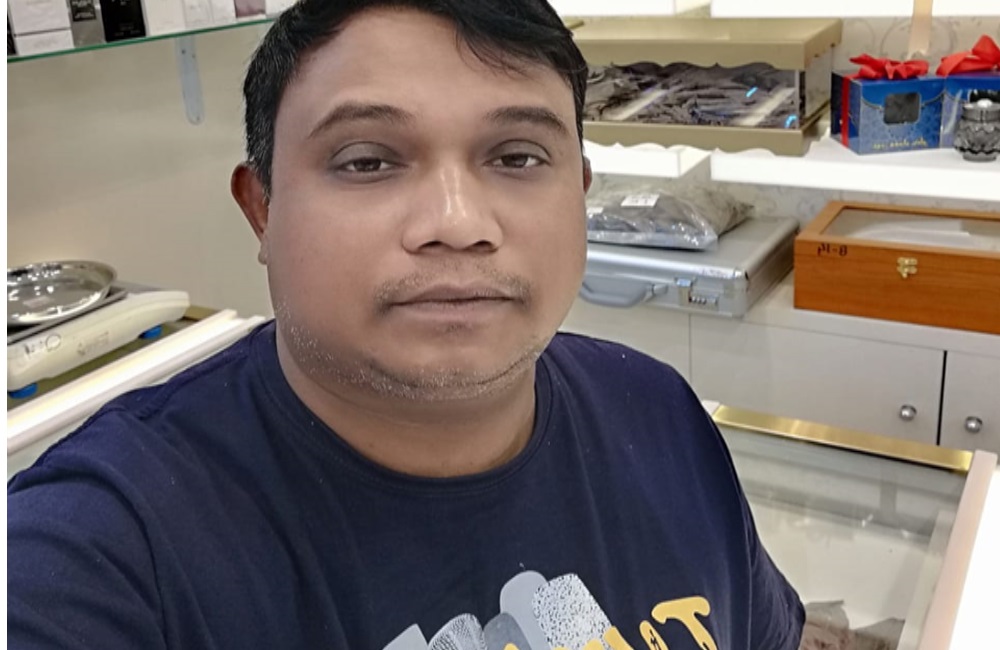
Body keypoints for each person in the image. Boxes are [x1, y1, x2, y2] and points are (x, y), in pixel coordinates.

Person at [7, 1, 805, 649]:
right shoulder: (100, 551)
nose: (458, 224)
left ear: (581, 194)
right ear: (262, 210)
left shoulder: (657, 413)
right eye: (367, 161)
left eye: (518, 157)